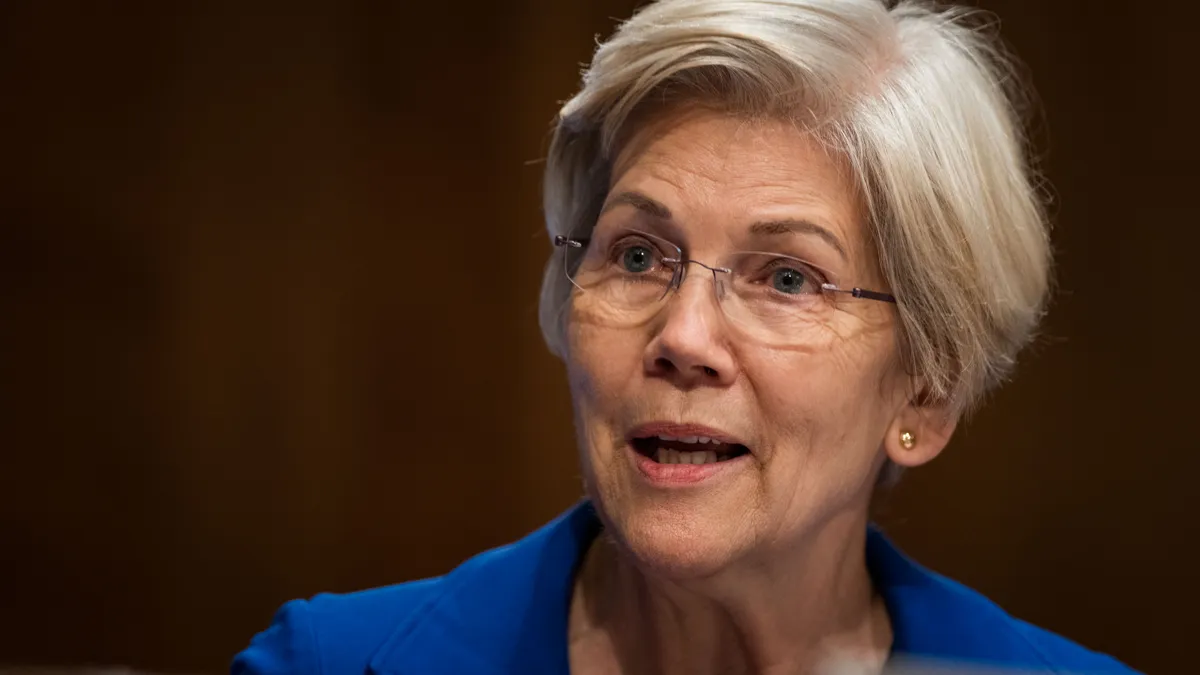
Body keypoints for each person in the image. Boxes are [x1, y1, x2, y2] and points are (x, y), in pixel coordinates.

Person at [233, 1, 1140, 673]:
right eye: (636, 255)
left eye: (788, 277)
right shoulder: (324, 662)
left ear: (927, 391)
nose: (683, 334)